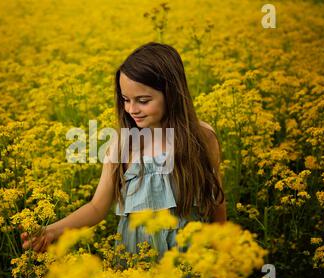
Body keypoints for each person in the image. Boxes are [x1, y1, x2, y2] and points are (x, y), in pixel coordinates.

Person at [21, 42, 226, 256]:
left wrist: (222, 255)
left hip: (190, 256)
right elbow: (96, 207)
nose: (131, 109)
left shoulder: (202, 138)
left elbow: (216, 202)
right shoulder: (122, 144)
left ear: (172, 94)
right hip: (135, 260)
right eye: (125, 100)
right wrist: (52, 231)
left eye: (143, 101)